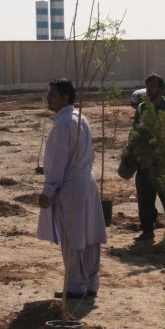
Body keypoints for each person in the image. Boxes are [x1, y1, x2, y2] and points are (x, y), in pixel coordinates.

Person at [37, 79, 107, 299]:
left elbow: (58, 162)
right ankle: (91, 283)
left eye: (53, 95)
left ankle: (76, 286)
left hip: (71, 188)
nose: (48, 99)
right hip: (86, 183)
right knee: (89, 234)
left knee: (73, 237)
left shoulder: (64, 125)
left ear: (65, 97)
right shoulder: (81, 119)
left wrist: (48, 191)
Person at [126, 73, 165, 243]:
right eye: (148, 86)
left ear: (161, 89)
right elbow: (134, 131)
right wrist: (130, 150)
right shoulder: (142, 108)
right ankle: (147, 230)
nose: (149, 90)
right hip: (145, 162)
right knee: (144, 197)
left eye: (153, 86)